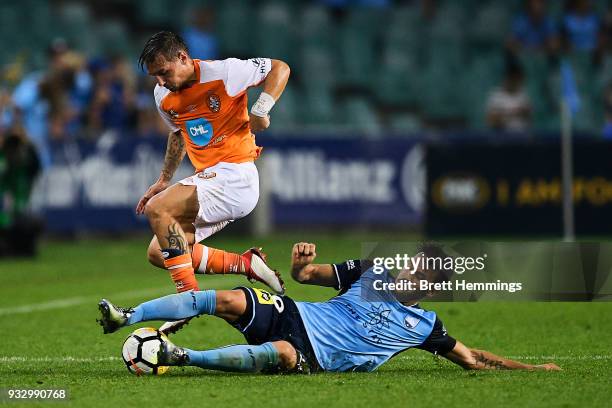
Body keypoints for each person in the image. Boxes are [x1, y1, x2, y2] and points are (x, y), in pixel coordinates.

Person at [97, 242, 560, 374]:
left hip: (315, 357)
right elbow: (306, 278)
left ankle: (180, 358)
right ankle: (129, 316)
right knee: (227, 298)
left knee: (277, 354)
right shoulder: (373, 271)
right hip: (296, 313)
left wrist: (533, 369)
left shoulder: (426, 326)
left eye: (417, 271)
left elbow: (473, 358)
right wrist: (302, 264)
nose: (406, 270)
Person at [134, 31, 289, 332]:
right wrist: (164, 178)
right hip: (212, 180)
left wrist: (261, 108)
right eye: (155, 77)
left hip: (236, 175)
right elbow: (178, 133)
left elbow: (280, 67)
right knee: (159, 252)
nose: (161, 82)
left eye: (164, 72)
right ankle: (247, 264)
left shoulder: (225, 72)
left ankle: (187, 301)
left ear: (182, 58)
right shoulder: (162, 94)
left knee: (158, 210)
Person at [485, 62, 532, 133]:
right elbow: (492, 122)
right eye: (513, 79)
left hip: (521, 137)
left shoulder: (523, 95)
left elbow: (529, 118)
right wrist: (515, 113)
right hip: (502, 138)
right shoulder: (496, 96)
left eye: (518, 79)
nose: (515, 82)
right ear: (507, 78)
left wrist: (504, 115)